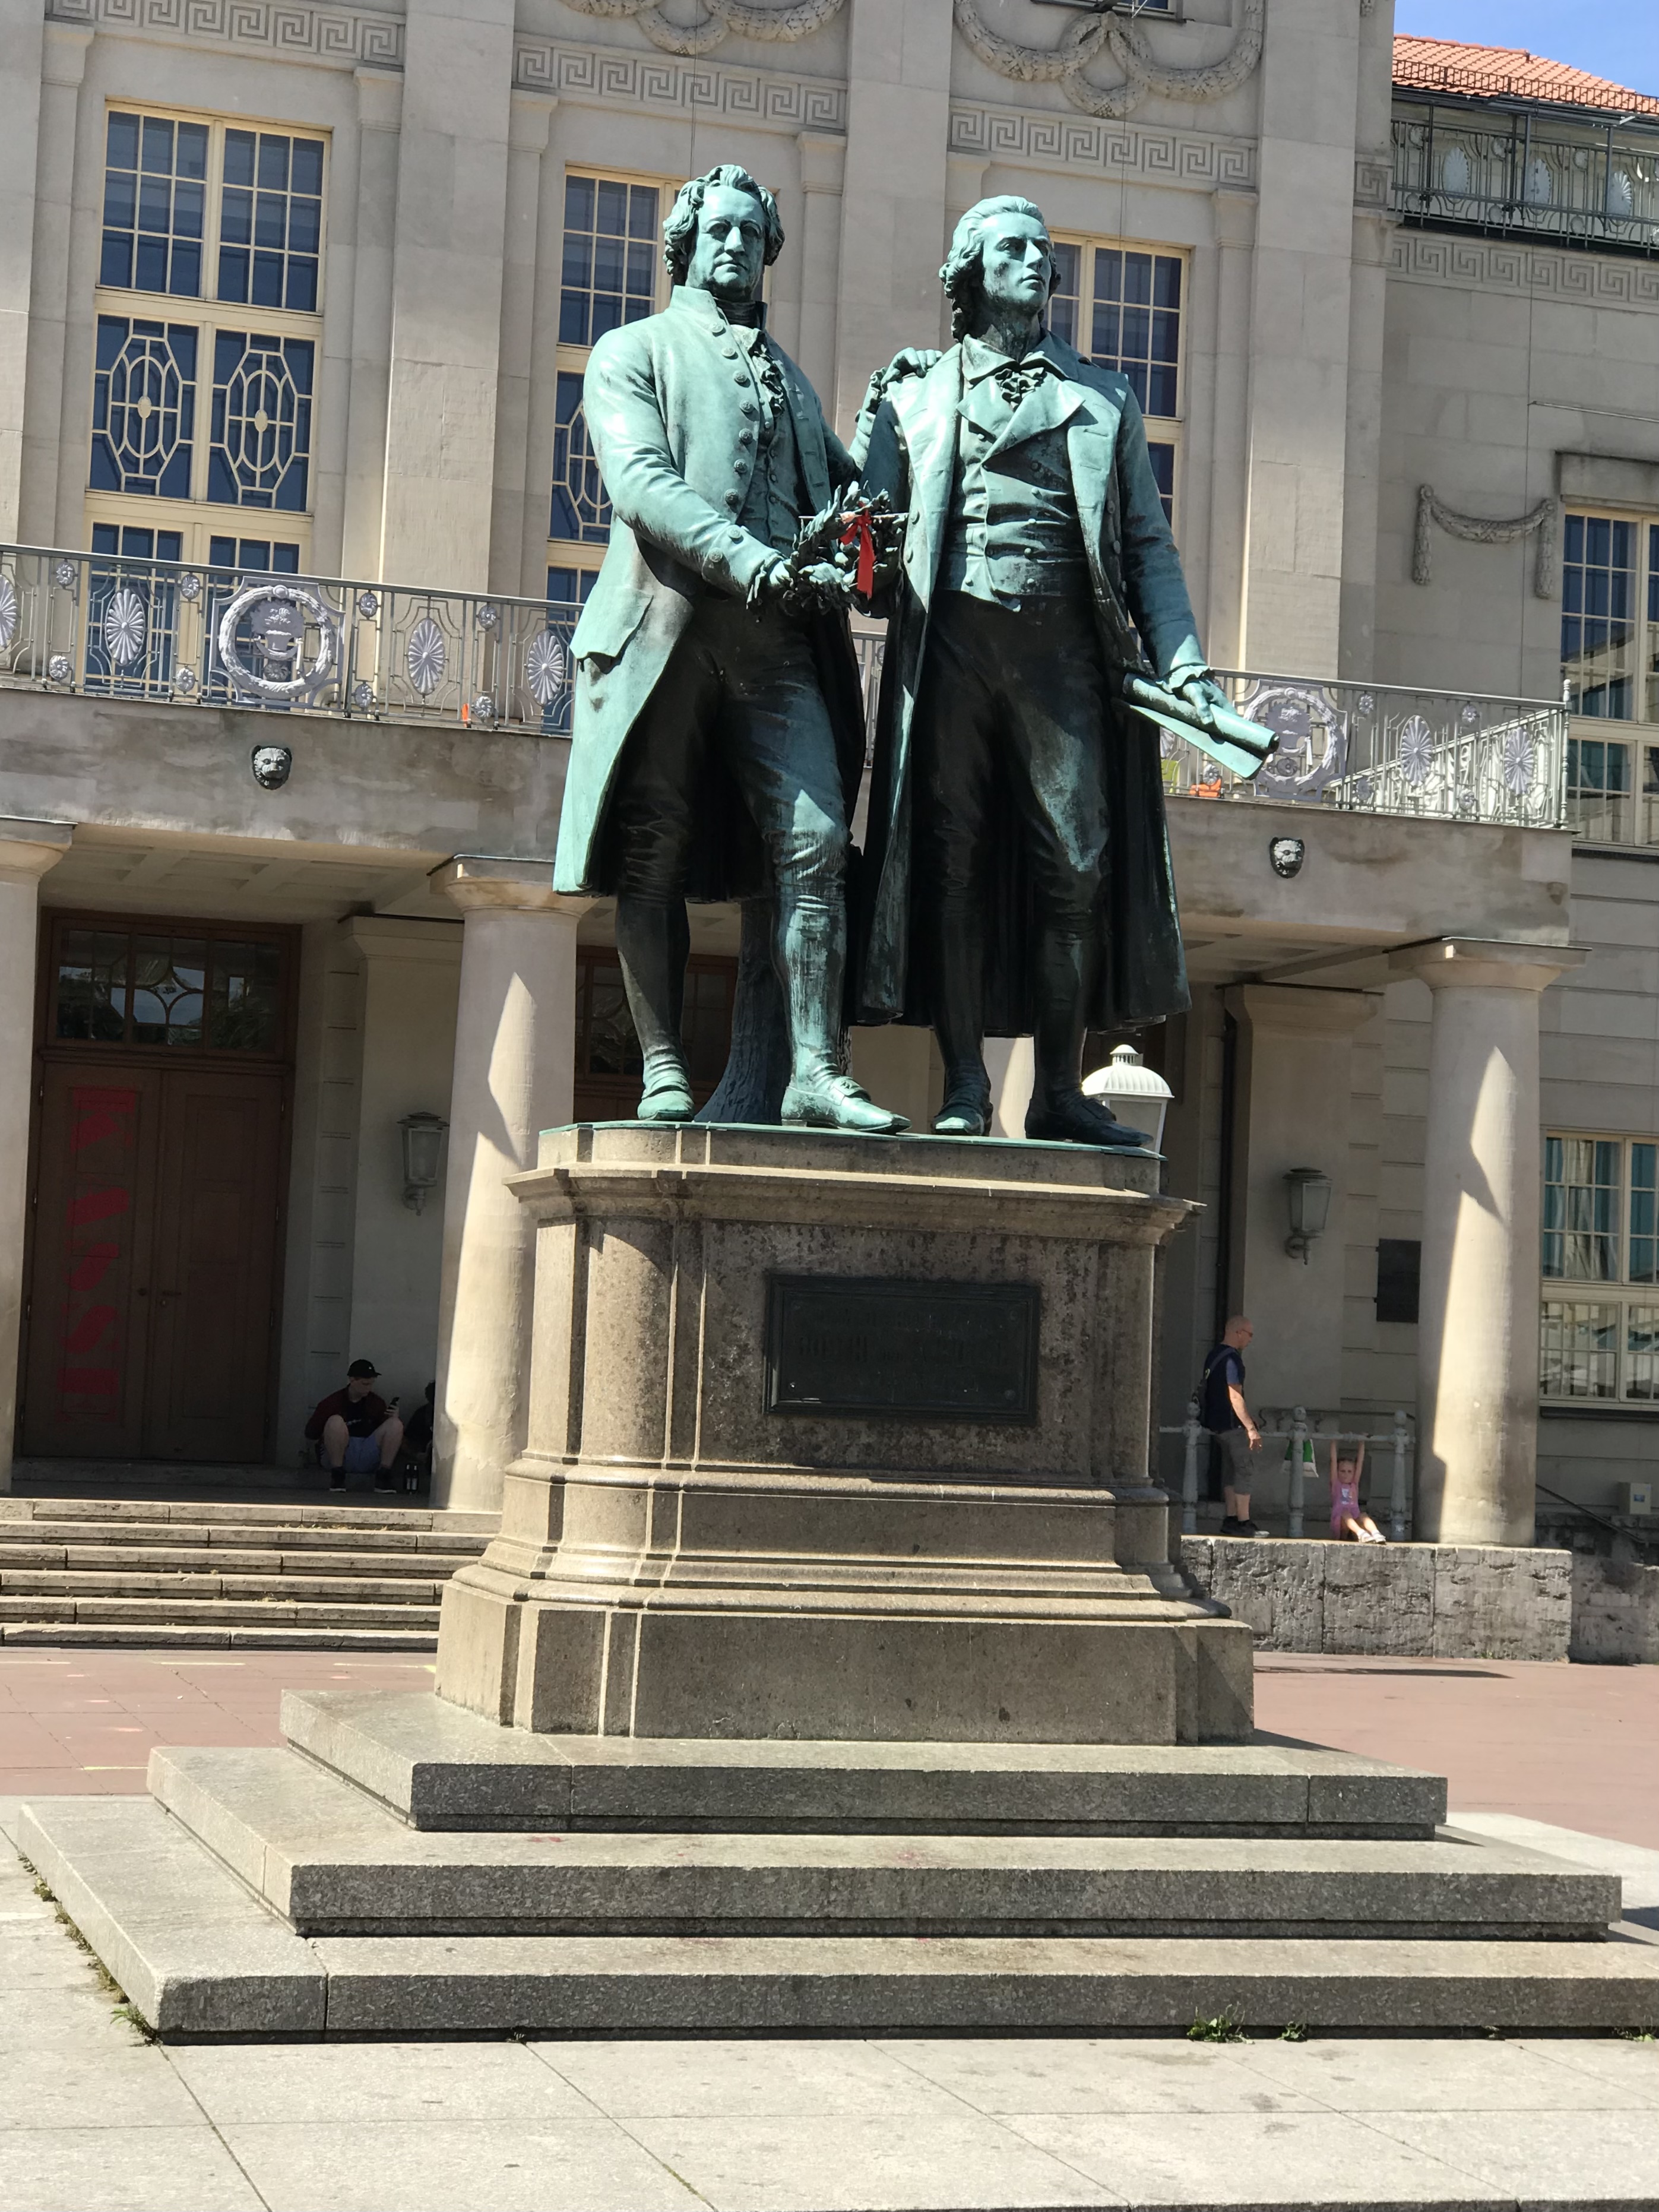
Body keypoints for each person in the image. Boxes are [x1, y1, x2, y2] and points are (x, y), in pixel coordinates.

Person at [550, 162, 920, 1135]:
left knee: (811, 840)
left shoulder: (789, 379)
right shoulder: (630, 351)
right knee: (652, 851)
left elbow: (856, 518)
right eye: (716, 232)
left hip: (777, 651)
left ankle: (813, 1070)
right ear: (682, 246)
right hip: (663, 635)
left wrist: (896, 441)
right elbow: (639, 485)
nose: (734, 248)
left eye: (750, 237)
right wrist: (753, 561)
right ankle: (663, 1065)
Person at [855, 193, 1228, 1143]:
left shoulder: (1103, 398)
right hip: (952, 657)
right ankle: (963, 1087)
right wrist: (870, 434)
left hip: (1063, 659)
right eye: (1011, 249)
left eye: (1041, 251)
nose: (1034, 263)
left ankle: (1057, 1089)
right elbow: (866, 563)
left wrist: (1183, 665)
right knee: (952, 869)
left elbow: (1147, 546)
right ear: (970, 272)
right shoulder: (916, 396)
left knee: (1077, 871)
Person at [1199, 1315, 1261, 1536]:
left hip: (1216, 1424)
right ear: (1238, 1333)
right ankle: (1244, 1521)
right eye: (1250, 1334)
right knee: (1244, 1469)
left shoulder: (1214, 1355)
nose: (1251, 1339)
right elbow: (1235, 1395)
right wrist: (1251, 1428)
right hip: (1233, 1425)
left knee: (1230, 1470)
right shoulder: (1232, 1359)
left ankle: (1231, 1519)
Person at [305, 1359, 403, 1492]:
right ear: (352, 1380)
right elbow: (311, 1433)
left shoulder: (376, 1402)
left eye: (371, 1384)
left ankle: (383, 1476)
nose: (369, 1388)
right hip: (340, 1453)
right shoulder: (332, 1402)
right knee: (335, 1422)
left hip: (366, 1452)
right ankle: (338, 1476)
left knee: (395, 1424)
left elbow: (384, 1431)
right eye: (365, 1384)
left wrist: (392, 1417)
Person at [1330, 1437, 1386, 1543]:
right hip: (1341, 1523)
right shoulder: (1336, 1484)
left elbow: (1360, 1462)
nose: (1346, 1474)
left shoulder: (1354, 1484)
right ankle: (1361, 1533)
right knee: (1346, 1514)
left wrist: (1362, 1442)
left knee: (1363, 1515)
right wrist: (1334, 1442)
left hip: (1355, 1520)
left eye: (1349, 1471)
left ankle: (1375, 1533)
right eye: (1343, 1471)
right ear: (1338, 1472)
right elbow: (1333, 1461)